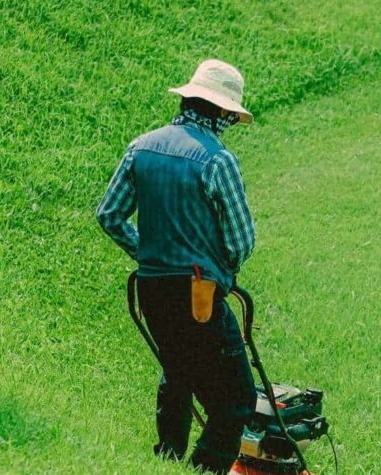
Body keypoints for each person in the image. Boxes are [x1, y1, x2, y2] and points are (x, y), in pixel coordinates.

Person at [96, 59, 258, 474]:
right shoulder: (218, 161)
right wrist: (223, 267)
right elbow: (241, 241)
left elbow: (109, 215)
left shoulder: (141, 147)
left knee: (178, 369)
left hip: (150, 288)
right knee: (237, 397)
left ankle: (167, 458)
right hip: (199, 292)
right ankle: (204, 467)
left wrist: (147, 252)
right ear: (222, 112)